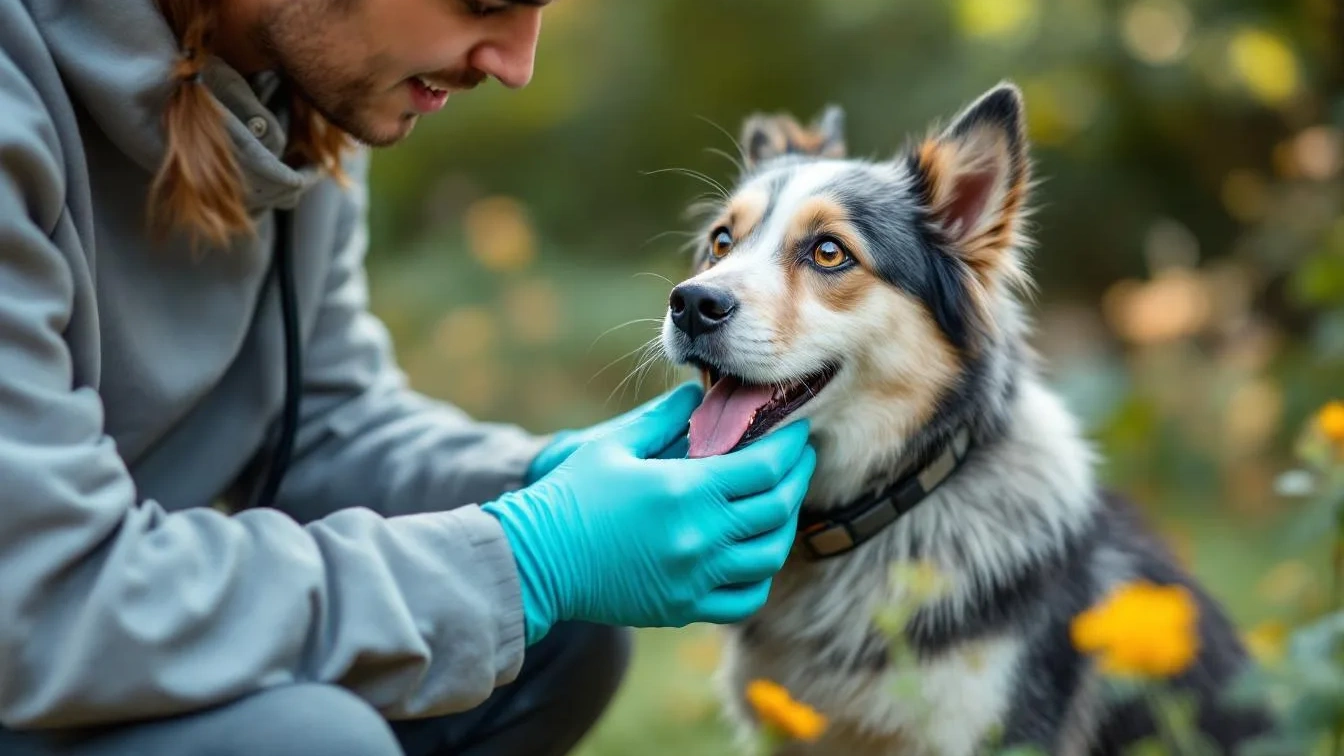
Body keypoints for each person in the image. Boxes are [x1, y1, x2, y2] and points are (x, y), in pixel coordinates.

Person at [0, 1, 818, 754]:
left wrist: (539, 482)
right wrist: (528, 556)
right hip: (41, 643)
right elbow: (45, 598)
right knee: (310, 742)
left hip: (97, 637)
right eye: (485, 2)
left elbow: (318, 429)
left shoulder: (301, 99)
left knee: (560, 638)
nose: (515, 63)